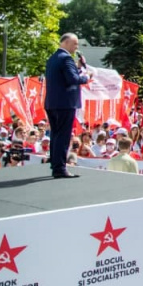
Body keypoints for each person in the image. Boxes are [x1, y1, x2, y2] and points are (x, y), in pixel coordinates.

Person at [44, 33, 92, 178]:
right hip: (65, 103)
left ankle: (55, 161)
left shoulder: (53, 58)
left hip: (53, 102)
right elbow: (73, 79)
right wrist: (86, 77)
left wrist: (76, 68)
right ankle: (59, 168)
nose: (76, 47)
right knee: (63, 136)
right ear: (65, 42)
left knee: (56, 134)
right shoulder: (66, 58)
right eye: (74, 43)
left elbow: (65, 76)